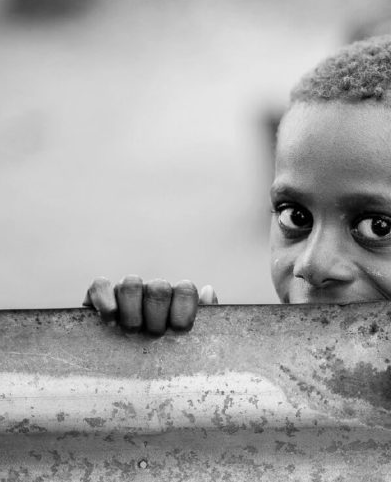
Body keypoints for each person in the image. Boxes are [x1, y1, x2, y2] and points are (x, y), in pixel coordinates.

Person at [85, 35, 391, 332]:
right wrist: (168, 354)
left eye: (378, 227)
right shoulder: (246, 361)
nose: (311, 265)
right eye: (295, 217)